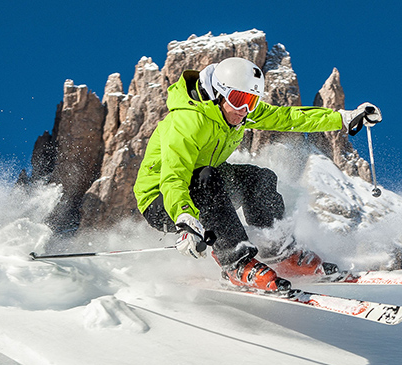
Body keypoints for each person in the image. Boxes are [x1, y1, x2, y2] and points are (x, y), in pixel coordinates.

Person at [133, 57, 381, 292]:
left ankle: (279, 252)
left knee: (259, 179)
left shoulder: (236, 112)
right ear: (218, 93)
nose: (244, 109)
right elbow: (173, 177)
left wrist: (342, 118)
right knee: (207, 179)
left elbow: (287, 117)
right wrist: (184, 218)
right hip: (163, 200)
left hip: (206, 185)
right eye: (238, 99)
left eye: (250, 102)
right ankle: (235, 263)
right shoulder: (187, 122)